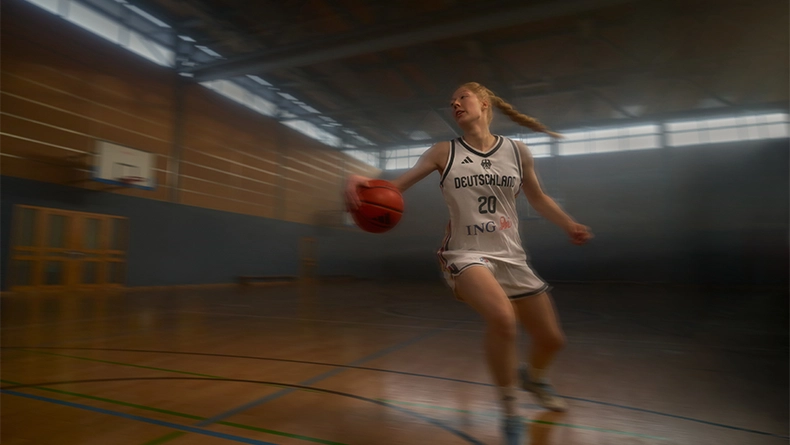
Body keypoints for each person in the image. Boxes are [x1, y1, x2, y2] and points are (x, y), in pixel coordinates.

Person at [345, 82, 592, 445]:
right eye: (452, 101)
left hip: (511, 255)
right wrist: (362, 183)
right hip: (465, 253)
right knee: (502, 318)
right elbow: (394, 188)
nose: (455, 103)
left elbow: (537, 198)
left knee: (552, 340)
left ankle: (535, 378)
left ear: (485, 102)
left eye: (462, 97)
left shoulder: (518, 151)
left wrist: (569, 223)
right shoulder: (443, 152)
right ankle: (509, 411)